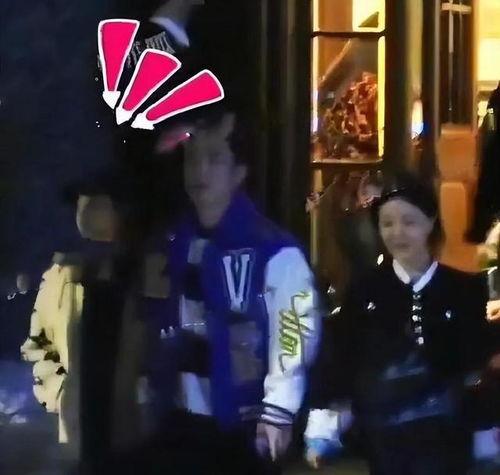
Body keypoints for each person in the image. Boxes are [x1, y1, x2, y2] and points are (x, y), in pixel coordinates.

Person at [140, 107, 320, 474]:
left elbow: (294, 327)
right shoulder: (173, 242)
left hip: (243, 421)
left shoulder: (272, 249)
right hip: (179, 418)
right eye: (192, 159)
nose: (200, 171)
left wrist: (279, 408)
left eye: (214, 158)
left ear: (239, 171)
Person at [305, 174, 491, 475]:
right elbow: (343, 355)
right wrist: (325, 423)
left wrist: (485, 429)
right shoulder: (365, 289)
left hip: (448, 438)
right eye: (387, 223)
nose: (397, 233)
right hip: (383, 439)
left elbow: (474, 366)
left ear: (430, 222)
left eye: (409, 222)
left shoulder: (464, 289)